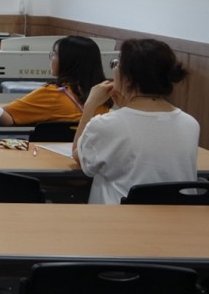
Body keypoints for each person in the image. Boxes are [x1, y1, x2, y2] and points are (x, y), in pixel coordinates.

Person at [72, 38, 199, 204]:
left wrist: (89, 106)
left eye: (117, 64)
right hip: (178, 222)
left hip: (116, 223)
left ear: (128, 79)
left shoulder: (106, 124)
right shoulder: (190, 124)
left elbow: (77, 155)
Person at [3, 36, 111, 125]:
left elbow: (6, 114)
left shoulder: (53, 95)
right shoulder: (103, 98)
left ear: (68, 62)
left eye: (55, 54)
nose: (52, 59)